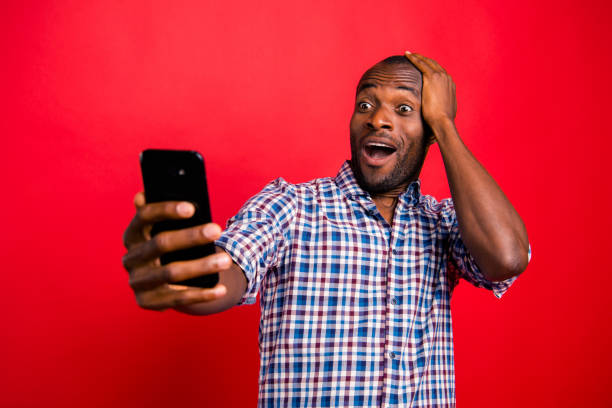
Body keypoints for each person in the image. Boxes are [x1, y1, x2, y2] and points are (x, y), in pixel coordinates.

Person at [122, 51, 530, 407]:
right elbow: (222, 275)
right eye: (366, 104)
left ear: (429, 137)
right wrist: (182, 275)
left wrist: (444, 122)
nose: (379, 119)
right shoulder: (291, 207)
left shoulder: (442, 223)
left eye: (405, 110)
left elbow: (506, 257)